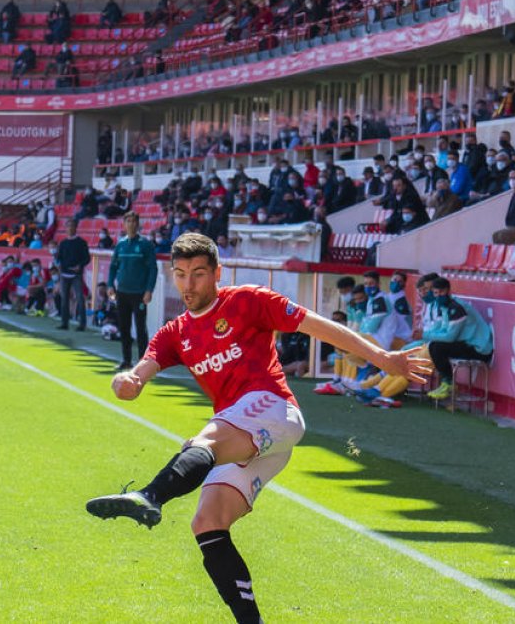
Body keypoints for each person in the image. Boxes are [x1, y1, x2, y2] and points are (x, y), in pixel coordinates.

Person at [85, 233, 433, 623]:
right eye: (181, 275)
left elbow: (317, 326)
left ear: (218, 272)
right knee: (207, 521)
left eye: (199, 274)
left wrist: (382, 357)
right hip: (256, 440)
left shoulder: (247, 300)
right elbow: (140, 373)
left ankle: (150, 496)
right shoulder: (175, 332)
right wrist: (128, 381)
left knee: (207, 439)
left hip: (274, 410)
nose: (189, 284)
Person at [423, 278, 494, 400]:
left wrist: (425, 335)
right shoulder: (445, 307)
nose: (439, 295)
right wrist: (424, 335)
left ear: (448, 291)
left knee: (437, 347)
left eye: (442, 292)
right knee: (434, 345)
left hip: (480, 349)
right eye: (436, 293)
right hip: (467, 344)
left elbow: (450, 337)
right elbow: (442, 329)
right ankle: (447, 383)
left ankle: (448, 384)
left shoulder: (457, 308)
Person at [108, 212, 157, 371]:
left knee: (140, 327)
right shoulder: (120, 244)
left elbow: (152, 269)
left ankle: (142, 362)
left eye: (133, 221)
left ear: (138, 224)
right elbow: (113, 267)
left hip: (139, 293)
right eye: (128, 221)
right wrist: (110, 285)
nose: (130, 224)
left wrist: (149, 290)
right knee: (124, 327)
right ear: (124, 224)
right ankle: (126, 360)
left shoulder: (145, 244)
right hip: (122, 292)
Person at [56, 218, 90, 331]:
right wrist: (59, 266)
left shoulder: (81, 242)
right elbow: (59, 257)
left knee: (80, 298)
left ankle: (82, 324)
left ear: (76, 228)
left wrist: (79, 266)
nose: (70, 228)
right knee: (64, 299)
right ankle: (64, 322)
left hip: (76, 275)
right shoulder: (63, 243)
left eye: (72, 226)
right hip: (64, 274)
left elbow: (87, 258)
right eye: (68, 226)